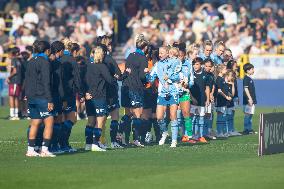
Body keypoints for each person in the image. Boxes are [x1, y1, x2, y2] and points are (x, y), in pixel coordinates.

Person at [25, 40, 55, 157]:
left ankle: (30, 150)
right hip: (42, 96)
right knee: (49, 122)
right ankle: (45, 150)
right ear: (47, 50)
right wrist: (49, 99)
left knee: (35, 123)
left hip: (31, 97)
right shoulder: (45, 62)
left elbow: (27, 80)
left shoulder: (31, 61)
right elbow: (46, 81)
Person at [85, 45, 117, 151]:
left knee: (90, 121)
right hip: (99, 96)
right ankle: (95, 143)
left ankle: (89, 144)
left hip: (89, 96)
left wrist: (84, 93)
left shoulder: (89, 66)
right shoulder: (102, 66)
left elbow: (83, 80)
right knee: (100, 120)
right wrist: (116, 77)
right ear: (101, 55)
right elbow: (110, 80)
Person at [148, 46, 181, 148]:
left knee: (173, 116)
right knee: (159, 118)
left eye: (162, 53)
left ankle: (174, 141)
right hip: (162, 93)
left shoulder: (174, 62)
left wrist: (170, 77)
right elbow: (151, 78)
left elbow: (178, 76)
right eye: (159, 53)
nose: (160, 54)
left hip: (173, 92)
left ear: (167, 53)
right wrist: (146, 74)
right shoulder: (157, 65)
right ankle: (165, 132)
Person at [122, 35, 149, 147]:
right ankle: (136, 139)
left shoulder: (130, 55)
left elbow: (127, 71)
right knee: (137, 114)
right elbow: (142, 77)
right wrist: (147, 73)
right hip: (135, 88)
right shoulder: (143, 58)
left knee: (128, 114)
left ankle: (121, 136)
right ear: (145, 47)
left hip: (126, 87)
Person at [59, 39, 81, 152]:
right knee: (72, 119)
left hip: (57, 93)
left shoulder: (58, 58)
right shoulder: (71, 59)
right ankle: (64, 144)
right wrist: (81, 93)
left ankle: (57, 144)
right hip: (69, 93)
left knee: (59, 120)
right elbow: (77, 78)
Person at [49, 41, 65, 154]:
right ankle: (54, 146)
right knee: (57, 120)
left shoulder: (46, 61)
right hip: (55, 96)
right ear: (60, 51)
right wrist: (63, 98)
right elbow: (59, 83)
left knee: (46, 121)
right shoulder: (58, 63)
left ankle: (42, 146)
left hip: (45, 95)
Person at [190, 57, 209, 143]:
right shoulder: (191, 74)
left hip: (202, 100)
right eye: (194, 64)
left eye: (197, 64)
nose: (195, 66)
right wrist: (191, 98)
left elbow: (207, 88)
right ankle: (192, 136)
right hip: (193, 100)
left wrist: (207, 99)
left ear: (201, 65)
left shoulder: (205, 75)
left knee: (201, 118)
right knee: (193, 118)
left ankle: (201, 136)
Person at [215, 64, 231, 138]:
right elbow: (219, 91)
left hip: (223, 100)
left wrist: (228, 95)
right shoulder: (218, 79)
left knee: (223, 116)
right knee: (220, 116)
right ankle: (219, 132)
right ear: (221, 70)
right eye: (225, 69)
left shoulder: (222, 79)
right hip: (220, 100)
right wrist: (226, 97)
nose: (226, 70)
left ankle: (223, 132)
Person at [6, 47, 21, 120]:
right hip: (17, 81)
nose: (8, 55)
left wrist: (8, 77)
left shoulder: (14, 60)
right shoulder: (18, 60)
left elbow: (15, 71)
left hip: (14, 81)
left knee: (12, 97)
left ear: (12, 54)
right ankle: (15, 114)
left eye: (9, 54)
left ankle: (13, 115)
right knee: (15, 98)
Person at [242, 63, 257, 135]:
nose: (253, 70)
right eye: (252, 69)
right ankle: (246, 129)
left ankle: (249, 129)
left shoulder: (250, 78)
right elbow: (246, 89)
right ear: (247, 70)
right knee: (247, 115)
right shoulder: (246, 79)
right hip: (248, 100)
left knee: (250, 115)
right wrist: (249, 98)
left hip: (252, 100)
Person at [203, 58, 216, 140]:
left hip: (209, 97)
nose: (208, 68)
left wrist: (212, 94)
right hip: (204, 97)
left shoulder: (211, 75)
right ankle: (202, 133)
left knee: (209, 114)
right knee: (203, 115)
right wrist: (208, 96)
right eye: (206, 66)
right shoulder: (203, 74)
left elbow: (213, 85)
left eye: (209, 66)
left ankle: (207, 132)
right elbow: (204, 87)